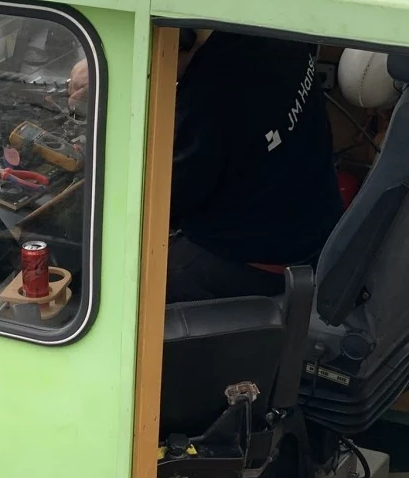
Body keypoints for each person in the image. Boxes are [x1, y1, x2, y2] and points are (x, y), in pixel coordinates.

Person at [67, 30, 344, 303]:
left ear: (177, 44)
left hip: (260, 259)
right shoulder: (271, 32)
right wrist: (110, 64)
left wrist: (112, 99)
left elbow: (162, 204)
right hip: (316, 220)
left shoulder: (210, 94)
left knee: (96, 284)